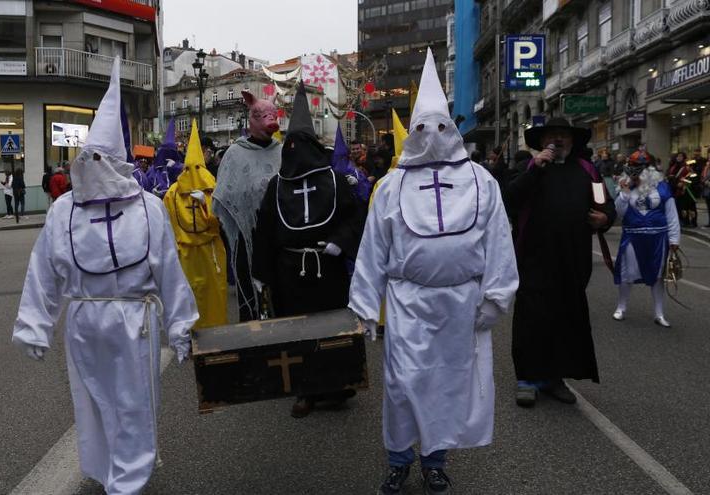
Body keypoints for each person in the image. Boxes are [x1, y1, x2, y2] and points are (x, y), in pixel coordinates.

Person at [11, 58, 198, 495]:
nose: (94, 164)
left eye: (103, 157)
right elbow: (43, 271)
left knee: (134, 403)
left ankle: (128, 481)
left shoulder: (149, 208)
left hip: (136, 322)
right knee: (92, 403)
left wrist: (181, 324)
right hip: (84, 324)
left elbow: (169, 267)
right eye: (89, 156)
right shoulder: (63, 211)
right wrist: (35, 325)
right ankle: (108, 467)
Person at [350, 48, 518, 495]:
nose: (431, 135)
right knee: (402, 387)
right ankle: (399, 460)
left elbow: (498, 242)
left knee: (448, 389)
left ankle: (435, 460)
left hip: (461, 305)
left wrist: (496, 296)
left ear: (452, 129)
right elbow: (374, 248)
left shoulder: (482, 182)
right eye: (422, 127)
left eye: (440, 127)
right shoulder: (391, 187)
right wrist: (366, 306)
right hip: (409, 306)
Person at [253, 81, 366, 419]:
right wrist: (261, 272)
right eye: (291, 144)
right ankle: (304, 389)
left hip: (326, 267)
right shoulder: (277, 185)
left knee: (331, 328)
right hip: (291, 271)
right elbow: (265, 231)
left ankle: (336, 385)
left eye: (302, 144)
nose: (296, 151)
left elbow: (354, 216)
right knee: (296, 331)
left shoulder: (333, 180)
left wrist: (340, 243)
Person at [505, 117, 616, 408]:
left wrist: (605, 218)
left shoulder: (588, 171)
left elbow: (605, 205)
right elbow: (509, 199)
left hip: (573, 259)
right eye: (551, 136)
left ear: (572, 141)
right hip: (533, 258)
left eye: (563, 135)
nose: (557, 140)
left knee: (565, 318)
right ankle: (527, 379)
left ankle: (554, 378)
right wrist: (535, 169)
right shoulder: (528, 168)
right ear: (541, 143)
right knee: (532, 318)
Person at [212, 90, 281, 322]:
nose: (268, 120)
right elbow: (224, 192)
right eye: (261, 115)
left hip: (277, 235)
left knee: (277, 290)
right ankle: (249, 327)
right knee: (248, 286)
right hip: (246, 234)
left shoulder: (281, 152)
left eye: (271, 114)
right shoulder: (234, 154)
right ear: (251, 118)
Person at [163, 120, 228, 329]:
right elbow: (168, 223)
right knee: (187, 295)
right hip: (186, 254)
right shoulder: (173, 193)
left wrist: (206, 204)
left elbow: (220, 222)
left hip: (210, 253)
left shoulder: (213, 189)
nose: (194, 173)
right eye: (190, 168)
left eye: (198, 167)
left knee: (212, 296)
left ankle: (214, 332)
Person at [612, 150, 680, 328]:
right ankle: (621, 307)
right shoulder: (625, 185)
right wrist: (625, 193)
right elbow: (619, 213)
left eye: (639, 167)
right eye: (633, 167)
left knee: (657, 276)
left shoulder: (662, 187)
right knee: (627, 273)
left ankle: (659, 313)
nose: (636, 171)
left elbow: (671, 214)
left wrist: (674, 240)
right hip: (633, 236)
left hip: (658, 238)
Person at [332, 125, 372, 204]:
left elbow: (373, 177)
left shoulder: (368, 161)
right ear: (350, 151)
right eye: (353, 149)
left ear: (361, 149)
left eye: (357, 149)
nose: (355, 151)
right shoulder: (347, 163)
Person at [146, 119, 184, 198]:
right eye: (166, 152)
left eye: (172, 152)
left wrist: (176, 168)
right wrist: (152, 193)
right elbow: (146, 186)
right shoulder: (153, 170)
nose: (168, 155)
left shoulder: (181, 168)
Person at [673, 153, 699, 227]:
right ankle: (686, 221)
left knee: (692, 209)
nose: (688, 167)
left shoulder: (693, 174)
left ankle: (694, 222)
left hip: (691, 193)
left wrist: (685, 181)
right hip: (683, 192)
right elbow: (678, 179)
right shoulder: (683, 172)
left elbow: (693, 182)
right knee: (684, 208)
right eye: (687, 166)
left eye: (689, 166)